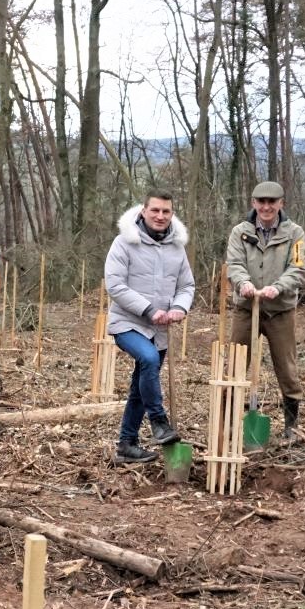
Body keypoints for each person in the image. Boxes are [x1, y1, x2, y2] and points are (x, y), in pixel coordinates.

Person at [104, 191, 195, 463]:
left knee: (141, 384)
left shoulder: (177, 248)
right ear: (143, 211)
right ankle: (159, 422)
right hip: (127, 322)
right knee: (149, 358)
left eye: (166, 211)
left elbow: (186, 286)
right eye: (155, 210)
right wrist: (149, 310)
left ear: (172, 214)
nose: (160, 216)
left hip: (160, 328)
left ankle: (127, 444)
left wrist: (179, 307)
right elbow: (115, 285)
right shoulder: (124, 243)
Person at [224, 180, 305, 440]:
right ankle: (228, 423)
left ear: (281, 203)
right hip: (247, 309)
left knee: (287, 366)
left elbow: (298, 268)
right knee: (235, 365)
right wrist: (243, 283)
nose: (266, 207)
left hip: (280, 310)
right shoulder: (240, 232)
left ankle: (291, 425)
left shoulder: (295, 233)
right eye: (261, 201)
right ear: (254, 203)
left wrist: (278, 287)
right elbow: (234, 264)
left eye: (272, 202)